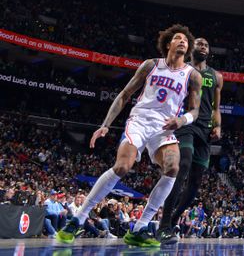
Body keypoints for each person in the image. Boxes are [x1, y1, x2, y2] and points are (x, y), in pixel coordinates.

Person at [56, 24, 203, 248]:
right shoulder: (151, 65)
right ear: (168, 43)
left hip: (165, 127)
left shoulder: (192, 75)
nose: (183, 41)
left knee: (173, 168)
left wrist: (182, 120)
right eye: (178, 38)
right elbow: (125, 95)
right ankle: (79, 218)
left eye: (186, 39)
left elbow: (194, 111)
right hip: (140, 121)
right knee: (123, 166)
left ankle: (140, 227)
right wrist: (105, 125)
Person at [158, 37, 224, 244]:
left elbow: (216, 108)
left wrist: (218, 125)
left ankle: (173, 219)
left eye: (206, 44)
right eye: (200, 43)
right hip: (185, 123)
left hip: (205, 129)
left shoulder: (217, 76)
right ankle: (164, 223)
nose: (203, 46)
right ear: (191, 48)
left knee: (195, 182)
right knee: (183, 164)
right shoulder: (182, 69)